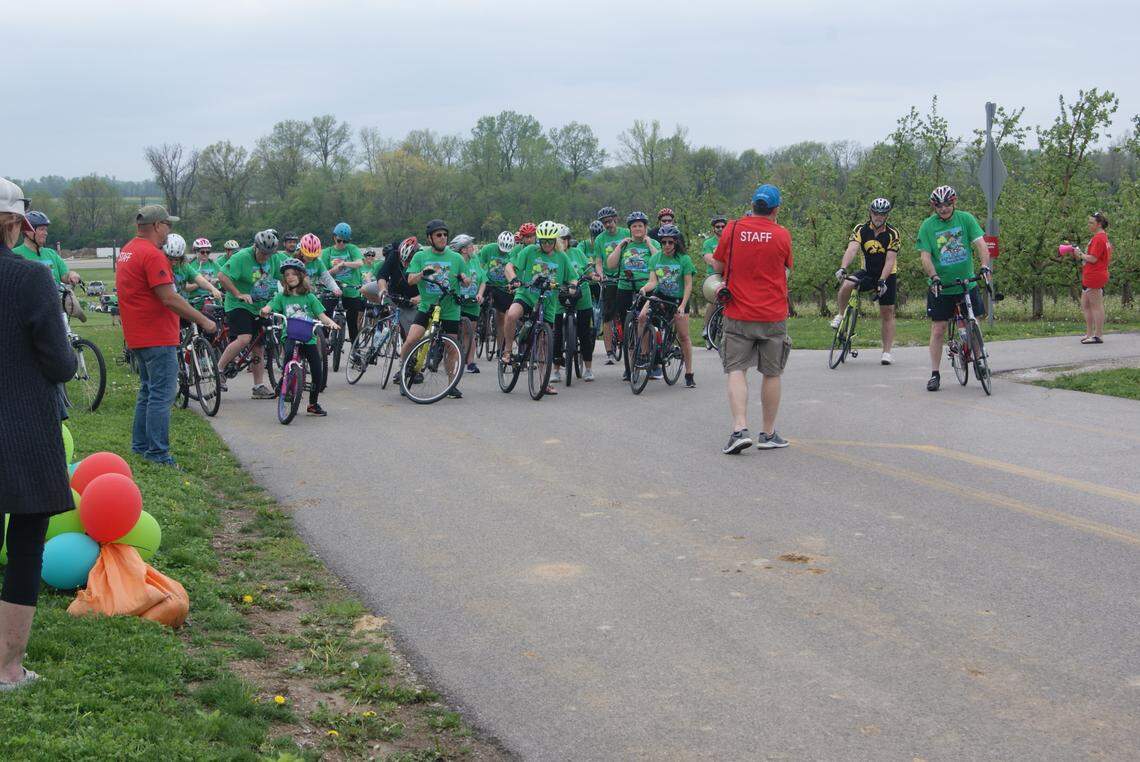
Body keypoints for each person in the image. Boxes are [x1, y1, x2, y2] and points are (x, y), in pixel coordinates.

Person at [0, 177, 78, 691]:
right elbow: (60, 362)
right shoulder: (29, 279)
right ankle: (6, 668)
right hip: (21, 426)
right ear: (13, 222)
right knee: (26, 542)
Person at [117, 205, 218, 464]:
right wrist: (203, 320)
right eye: (167, 225)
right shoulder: (152, 255)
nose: (169, 231)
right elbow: (169, 298)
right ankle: (158, 454)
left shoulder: (127, 251)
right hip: (157, 335)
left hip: (138, 334)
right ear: (157, 226)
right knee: (162, 394)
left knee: (148, 391)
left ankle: (140, 447)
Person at [712, 184, 793, 453]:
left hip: (738, 312)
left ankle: (739, 429)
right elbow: (786, 268)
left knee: (736, 369)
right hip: (772, 314)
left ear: (753, 204)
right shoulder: (782, 235)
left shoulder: (732, 229)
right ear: (776, 209)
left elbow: (719, 266)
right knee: (772, 373)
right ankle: (768, 434)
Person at [917, 185, 991, 392]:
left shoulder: (966, 219)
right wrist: (934, 276)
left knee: (973, 323)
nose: (944, 208)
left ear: (954, 202)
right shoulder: (927, 226)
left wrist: (984, 266)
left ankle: (979, 361)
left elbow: (981, 245)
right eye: (939, 205)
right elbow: (925, 256)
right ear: (934, 206)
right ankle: (935, 373)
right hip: (942, 286)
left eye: (947, 204)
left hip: (967, 283)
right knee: (938, 328)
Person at [502, 220, 577, 396]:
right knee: (512, 315)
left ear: (555, 240)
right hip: (526, 295)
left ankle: (545, 381)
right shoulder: (529, 251)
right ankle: (506, 351)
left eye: (550, 241)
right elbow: (509, 266)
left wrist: (572, 287)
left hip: (548, 302)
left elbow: (572, 277)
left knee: (545, 343)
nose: (546, 244)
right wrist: (513, 279)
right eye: (543, 241)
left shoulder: (561, 257)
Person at [260, 258, 340, 416]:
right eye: (287, 275)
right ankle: (285, 381)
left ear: (301, 276)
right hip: (290, 335)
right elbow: (271, 306)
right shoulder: (282, 297)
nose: (290, 277)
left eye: (293, 274)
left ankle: (313, 403)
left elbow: (321, 315)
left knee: (317, 370)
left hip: (307, 338)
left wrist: (331, 323)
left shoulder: (309, 297)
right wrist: (265, 309)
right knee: (289, 356)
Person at [400, 220, 468, 399]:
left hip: (450, 307)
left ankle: (451, 384)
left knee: (451, 347)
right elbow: (410, 280)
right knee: (411, 339)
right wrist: (423, 273)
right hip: (427, 305)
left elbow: (467, 279)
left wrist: (464, 279)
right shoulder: (420, 256)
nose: (443, 238)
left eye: (445, 235)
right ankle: (403, 372)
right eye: (439, 235)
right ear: (430, 238)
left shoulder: (457, 258)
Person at [831, 198, 901, 364]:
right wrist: (843, 267)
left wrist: (883, 281)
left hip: (887, 274)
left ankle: (886, 352)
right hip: (867, 271)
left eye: (882, 214)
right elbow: (852, 249)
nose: (878, 216)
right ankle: (841, 315)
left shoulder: (893, 233)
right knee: (847, 283)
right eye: (876, 213)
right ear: (870, 212)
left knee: (887, 313)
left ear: (887, 215)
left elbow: (890, 261)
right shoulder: (861, 229)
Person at [216, 229, 282, 399]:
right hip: (239, 305)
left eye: (269, 254)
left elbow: (283, 277)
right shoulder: (241, 257)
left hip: (261, 306)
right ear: (255, 247)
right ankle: (219, 370)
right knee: (244, 338)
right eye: (262, 253)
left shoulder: (273, 258)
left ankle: (258, 386)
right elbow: (222, 276)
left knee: (258, 344)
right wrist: (238, 293)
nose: (265, 257)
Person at [638, 224, 696, 386]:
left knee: (684, 336)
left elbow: (688, 285)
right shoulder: (655, 258)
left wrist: (683, 305)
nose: (667, 246)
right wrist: (644, 289)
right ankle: (644, 354)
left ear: (676, 242)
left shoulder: (684, 259)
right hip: (660, 294)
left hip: (678, 298)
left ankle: (689, 373)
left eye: (670, 242)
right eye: (663, 242)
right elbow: (652, 282)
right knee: (642, 316)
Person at [607, 211, 660, 381]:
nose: (637, 229)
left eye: (640, 226)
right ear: (630, 229)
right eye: (634, 226)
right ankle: (630, 365)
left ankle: (651, 360)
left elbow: (659, 262)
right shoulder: (626, 245)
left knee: (649, 323)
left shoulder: (654, 244)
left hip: (647, 287)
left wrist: (650, 244)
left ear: (645, 228)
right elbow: (611, 265)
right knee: (628, 326)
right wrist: (619, 246)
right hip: (625, 287)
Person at [552, 224, 598, 383]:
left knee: (585, 333)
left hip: (582, 295)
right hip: (560, 297)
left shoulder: (577, 252)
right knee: (557, 334)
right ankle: (556, 370)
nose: (563, 242)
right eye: (559, 239)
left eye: (565, 239)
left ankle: (588, 369)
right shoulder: (553, 256)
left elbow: (588, 269)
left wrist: (593, 276)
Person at [593, 206, 630, 363]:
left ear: (616, 219)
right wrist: (600, 274)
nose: (608, 225)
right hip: (609, 278)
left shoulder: (626, 233)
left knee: (627, 313)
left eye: (610, 221)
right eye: (604, 222)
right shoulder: (600, 239)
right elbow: (599, 261)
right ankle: (609, 352)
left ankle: (629, 343)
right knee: (607, 316)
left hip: (625, 277)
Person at [368, 236, 422, 342]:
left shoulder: (421, 258)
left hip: (410, 299)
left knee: (410, 337)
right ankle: (385, 308)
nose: (405, 263)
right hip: (392, 291)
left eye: (408, 261)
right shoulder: (394, 255)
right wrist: (383, 290)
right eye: (403, 260)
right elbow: (382, 275)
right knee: (364, 289)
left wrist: (420, 297)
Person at [321, 222, 366, 347]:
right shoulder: (327, 252)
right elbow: (322, 273)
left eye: (345, 241)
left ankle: (355, 350)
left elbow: (359, 263)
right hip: (332, 289)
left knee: (352, 322)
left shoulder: (352, 249)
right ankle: (323, 342)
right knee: (325, 315)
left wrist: (344, 264)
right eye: (339, 240)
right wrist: (334, 270)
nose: (342, 244)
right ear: (334, 237)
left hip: (351, 291)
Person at [1072, 211, 1112, 344]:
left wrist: (1080, 255)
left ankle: (1098, 335)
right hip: (1091, 274)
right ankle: (1089, 333)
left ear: (1099, 224)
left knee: (1096, 306)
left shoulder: (1099, 238)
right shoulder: (1101, 237)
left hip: (1095, 275)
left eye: (1091, 223)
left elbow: (1093, 259)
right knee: (1086, 305)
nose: (1089, 225)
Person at [478, 230, 519, 358]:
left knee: (502, 317)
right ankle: (481, 320)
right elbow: (479, 265)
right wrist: (482, 278)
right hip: (489, 282)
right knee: (480, 301)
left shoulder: (514, 252)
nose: (504, 252)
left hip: (503, 287)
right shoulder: (488, 249)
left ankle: (501, 348)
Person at [13, 211, 81, 286]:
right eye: (42, 229)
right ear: (28, 231)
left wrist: (72, 275)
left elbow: (65, 275)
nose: (46, 233)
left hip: (54, 296)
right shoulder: (14, 255)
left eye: (46, 230)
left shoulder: (51, 254)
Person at [451, 234, 486, 373]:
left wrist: (480, 294)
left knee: (470, 332)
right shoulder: (456, 261)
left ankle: (470, 363)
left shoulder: (475, 259)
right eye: (471, 245)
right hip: (458, 301)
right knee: (454, 332)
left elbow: (483, 279)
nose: (474, 247)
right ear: (463, 250)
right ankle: (453, 359)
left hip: (473, 302)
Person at [164, 234, 222, 314]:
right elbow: (187, 288)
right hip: (171, 306)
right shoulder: (160, 266)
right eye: (170, 259)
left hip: (183, 305)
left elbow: (199, 279)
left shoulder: (184, 266)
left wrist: (213, 289)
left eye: (177, 259)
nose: (173, 263)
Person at [701, 214, 728, 345]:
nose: (720, 228)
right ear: (713, 228)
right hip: (714, 276)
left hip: (727, 275)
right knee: (713, 300)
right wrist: (720, 264)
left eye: (723, 226)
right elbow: (708, 258)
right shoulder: (708, 243)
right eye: (717, 226)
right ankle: (707, 327)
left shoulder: (730, 240)